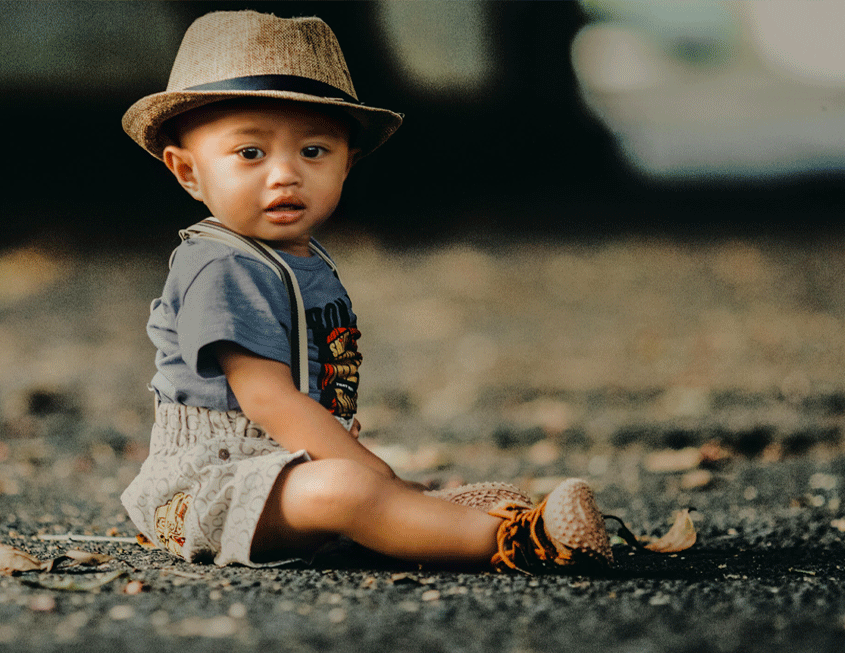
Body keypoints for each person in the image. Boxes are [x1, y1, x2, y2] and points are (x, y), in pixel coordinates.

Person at [119, 10, 614, 573]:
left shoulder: (304, 259)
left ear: (347, 163)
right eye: (251, 153)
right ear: (188, 172)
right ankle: (516, 542)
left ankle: (428, 518)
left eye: (313, 152)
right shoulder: (220, 267)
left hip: (284, 469)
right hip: (208, 489)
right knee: (347, 490)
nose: (285, 174)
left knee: (355, 487)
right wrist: (375, 474)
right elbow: (267, 399)